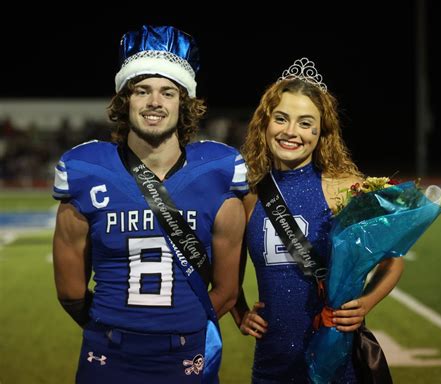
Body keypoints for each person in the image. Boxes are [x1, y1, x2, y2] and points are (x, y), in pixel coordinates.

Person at [52, 25, 247, 384]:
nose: (154, 102)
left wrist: (181, 329)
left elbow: (228, 290)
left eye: (168, 92)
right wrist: (114, 329)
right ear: (125, 100)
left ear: (183, 102)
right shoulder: (86, 169)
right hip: (107, 353)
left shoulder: (217, 170)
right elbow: (69, 290)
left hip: (186, 355)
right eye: (142, 90)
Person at [231, 57, 404, 383]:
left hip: (335, 361)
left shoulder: (343, 189)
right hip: (271, 363)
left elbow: (393, 261)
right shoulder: (250, 196)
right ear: (265, 123)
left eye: (305, 123)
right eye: (281, 118)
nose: (291, 132)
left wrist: (366, 303)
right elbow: (227, 272)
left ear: (322, 131)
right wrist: (240, 312)